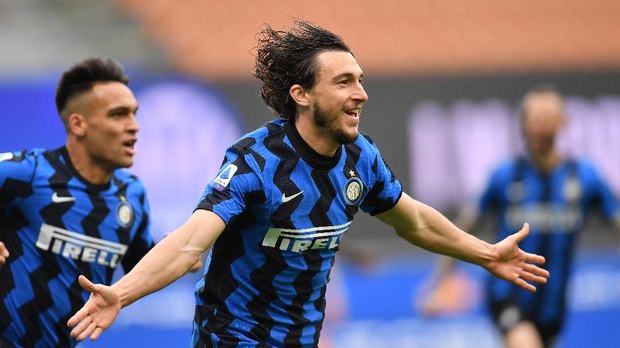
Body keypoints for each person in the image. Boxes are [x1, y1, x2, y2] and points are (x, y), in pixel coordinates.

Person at [67, 21, 549, 348]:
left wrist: (484, 254)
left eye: (359, 80)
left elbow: (415, 221)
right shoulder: (255, 160)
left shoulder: (362, 157)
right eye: (343, 82)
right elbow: (190, 245)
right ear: (301, 95)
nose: (360, 93)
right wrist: (122, 294)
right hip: (234, 338)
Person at [423, 85, 620, 348]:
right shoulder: (505, 175)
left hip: (553, 301)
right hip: (507, 292)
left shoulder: (585, 177)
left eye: (544, 120)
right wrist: (439, 283)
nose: (536, 127)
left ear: (562, 123)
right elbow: (463, 228)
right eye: (531, 120)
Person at [0, 57, 155, 348]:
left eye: (134, 114)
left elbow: (142, 267)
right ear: (78, 124)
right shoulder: (30, 172)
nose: (134, 126)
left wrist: (178, 254)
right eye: (118, 115)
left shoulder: (132, 195)